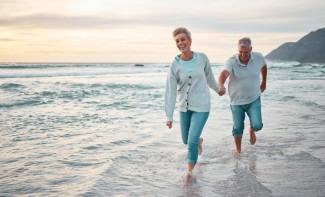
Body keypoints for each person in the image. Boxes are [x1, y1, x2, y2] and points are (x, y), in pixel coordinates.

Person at [165, 27, 220, 183]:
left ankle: (189, 172)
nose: (181, 43)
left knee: (192, 140)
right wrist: (169, 116)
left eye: (183, 39)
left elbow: (210, 78)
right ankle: (198, 142)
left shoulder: (202, 58)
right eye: (177, 41)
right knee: (186, 140)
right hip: (184, 107)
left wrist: (218, 90)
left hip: (202, 105)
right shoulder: (174, 64)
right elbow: (170, 91)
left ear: (189, 40)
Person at [218, 37, 267, 155]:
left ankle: (252, 130)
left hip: (254, 98)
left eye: (246, 52)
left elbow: (264, 67)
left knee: (257, 125)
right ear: (237, 49)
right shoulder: (232, 61)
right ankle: (238, 151)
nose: (243, 55)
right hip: (236, 102)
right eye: (240, 52)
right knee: (237, 128)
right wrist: (221, 85)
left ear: (251, 49)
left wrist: (264, 82)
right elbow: (224, 73)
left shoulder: (258, 57)